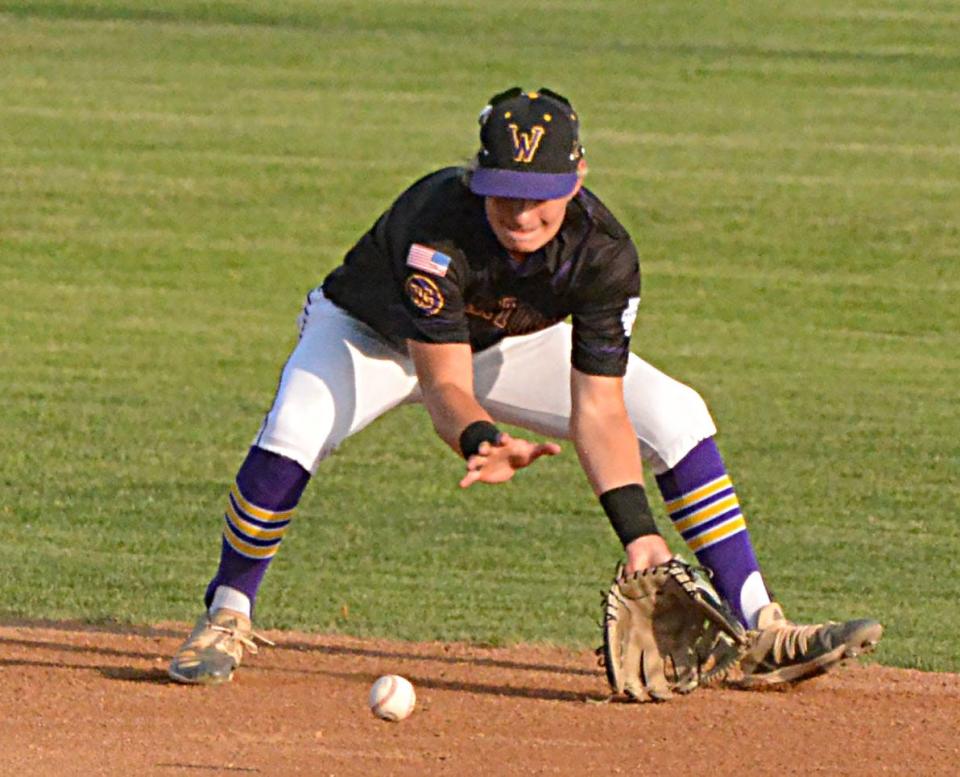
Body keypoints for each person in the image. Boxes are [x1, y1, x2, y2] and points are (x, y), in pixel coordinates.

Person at [168, 87, 882, 687]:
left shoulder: (603, 254)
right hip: (371, 334)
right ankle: (227, 611)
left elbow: (598, 408)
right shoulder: (436, 226)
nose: (521, 213)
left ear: (576, 180)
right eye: (503, 193)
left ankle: (760, 627)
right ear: (479, 179)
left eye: (540, 195)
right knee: (297, 425)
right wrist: (482, 438)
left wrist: (641, 539)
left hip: (511, 341)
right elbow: (442, 381)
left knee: (675, 414)